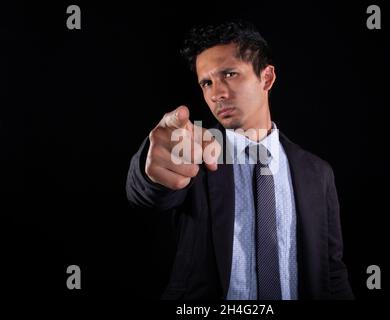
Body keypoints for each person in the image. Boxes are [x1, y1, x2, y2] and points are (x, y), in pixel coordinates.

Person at [126, 20, 353, 300]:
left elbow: (331, 272)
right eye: (206, 82)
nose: (216, 93)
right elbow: (148, 192)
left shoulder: (318, 172)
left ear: (266, 78)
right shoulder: (195, 152)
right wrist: (149, 170)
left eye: (230, 74)